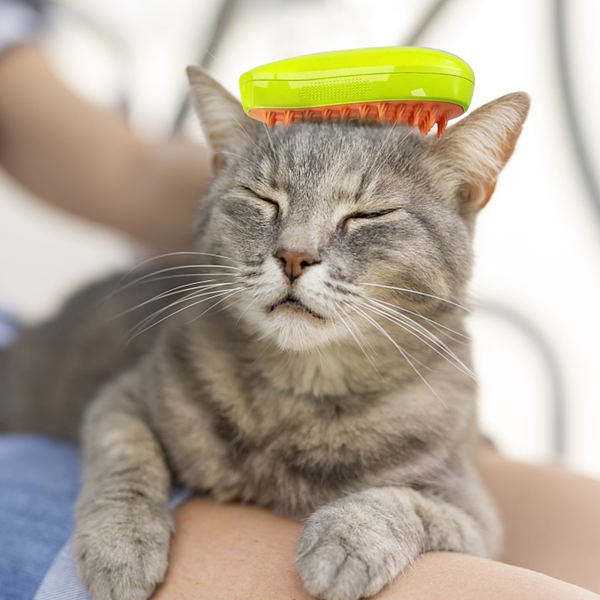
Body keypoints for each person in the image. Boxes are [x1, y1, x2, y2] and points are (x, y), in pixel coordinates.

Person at [1, 4, 599, 599]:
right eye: (262, 205)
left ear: (468, 194)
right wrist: (126, 490)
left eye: (367, 217)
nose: (296, 254)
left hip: (395, 391)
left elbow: (468, 515)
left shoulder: (441, 382)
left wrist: (396, 517)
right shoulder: (188, 350)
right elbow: (125, 408)